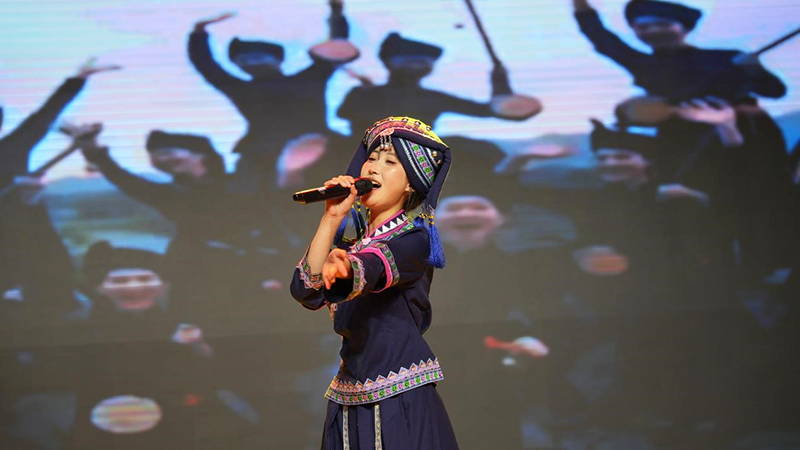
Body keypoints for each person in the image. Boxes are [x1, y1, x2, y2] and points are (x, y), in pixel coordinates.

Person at [290, 117, 458, 449]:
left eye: (390, 162)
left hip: (399, 396)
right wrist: (332, 217)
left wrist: (346, 269)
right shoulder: (351, 246)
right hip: (348, 393)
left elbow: (373, 265)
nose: (373, 167)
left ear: (411, 183)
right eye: (371, 159)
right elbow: (306, 290)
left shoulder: (414, 240)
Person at [188, 2, 358, 193]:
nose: (254, 63)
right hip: (277, 159)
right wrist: (336, 12)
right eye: (246, 60)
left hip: (293, 156)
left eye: (258, 58)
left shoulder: (243, 89)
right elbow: (337, 48)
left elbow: (337, 48)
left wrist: (198, 33)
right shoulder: (309, 79)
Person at [337, 32, 530, 137]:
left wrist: (500, 83)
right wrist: (500, 84)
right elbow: (489, 110)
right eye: (406, 62)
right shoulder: (363, 93)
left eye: (419, 63)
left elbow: (489, 111)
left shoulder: (362, 93)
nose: (413, 67)